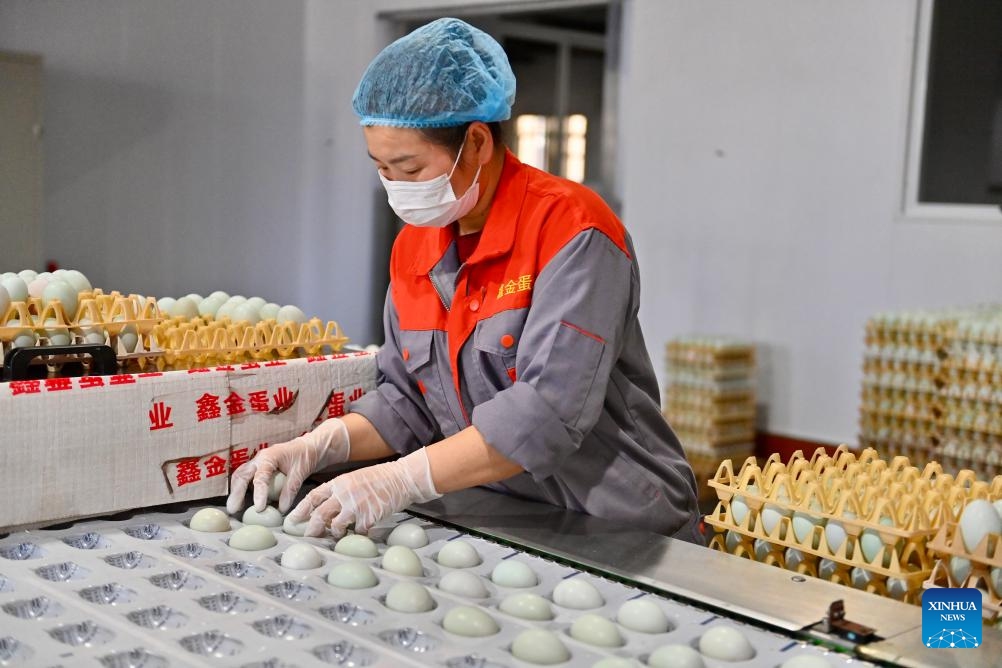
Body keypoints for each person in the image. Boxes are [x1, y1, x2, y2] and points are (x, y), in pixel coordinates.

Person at [226, 17, 702, 543]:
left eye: (409, 169)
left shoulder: (573, 232)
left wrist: (401, 478)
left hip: (619, 523)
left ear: (476, 142)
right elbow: (408, 402)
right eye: (381, 169)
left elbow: (547, 415)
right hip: (502, 515)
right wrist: (320, 444)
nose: (396, 188)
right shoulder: (416, 248)